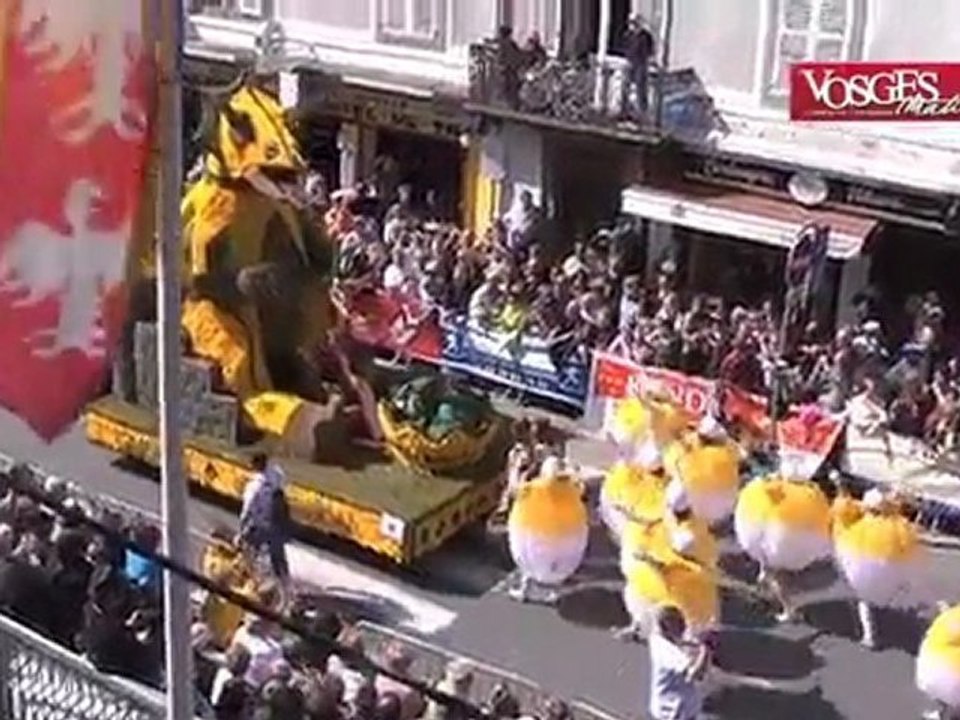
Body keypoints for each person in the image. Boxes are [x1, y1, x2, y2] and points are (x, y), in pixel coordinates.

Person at [648, 605, 709, 720]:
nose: (684, 625)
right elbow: (696, 674)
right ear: (666, 625)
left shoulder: (658, 639)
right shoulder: (668, 651)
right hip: (673, 712)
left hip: (679, 710)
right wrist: (705, 650)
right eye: (679, 621)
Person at [239, 453, 291, 585]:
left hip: (261, 524)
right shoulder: (277, 474)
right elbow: (283, 486)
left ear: (254, 466)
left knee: (248, 548)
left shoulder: (254, 486)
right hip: (277, 521)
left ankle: (251, 579)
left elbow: (247, 509)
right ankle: (286, 582)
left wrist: (242, 527)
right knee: (278, 555)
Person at [623, 15, 655, 119]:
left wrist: (648, 60)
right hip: (631, 62)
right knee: (626, 86)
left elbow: (650, 50)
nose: (632, 25)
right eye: (631, 23)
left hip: (641, 63)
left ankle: (642, 111)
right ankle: (625, 109)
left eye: (634, 23)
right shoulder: (628, 35)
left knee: (640, 87)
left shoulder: (645, 36)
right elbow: (625, 46)